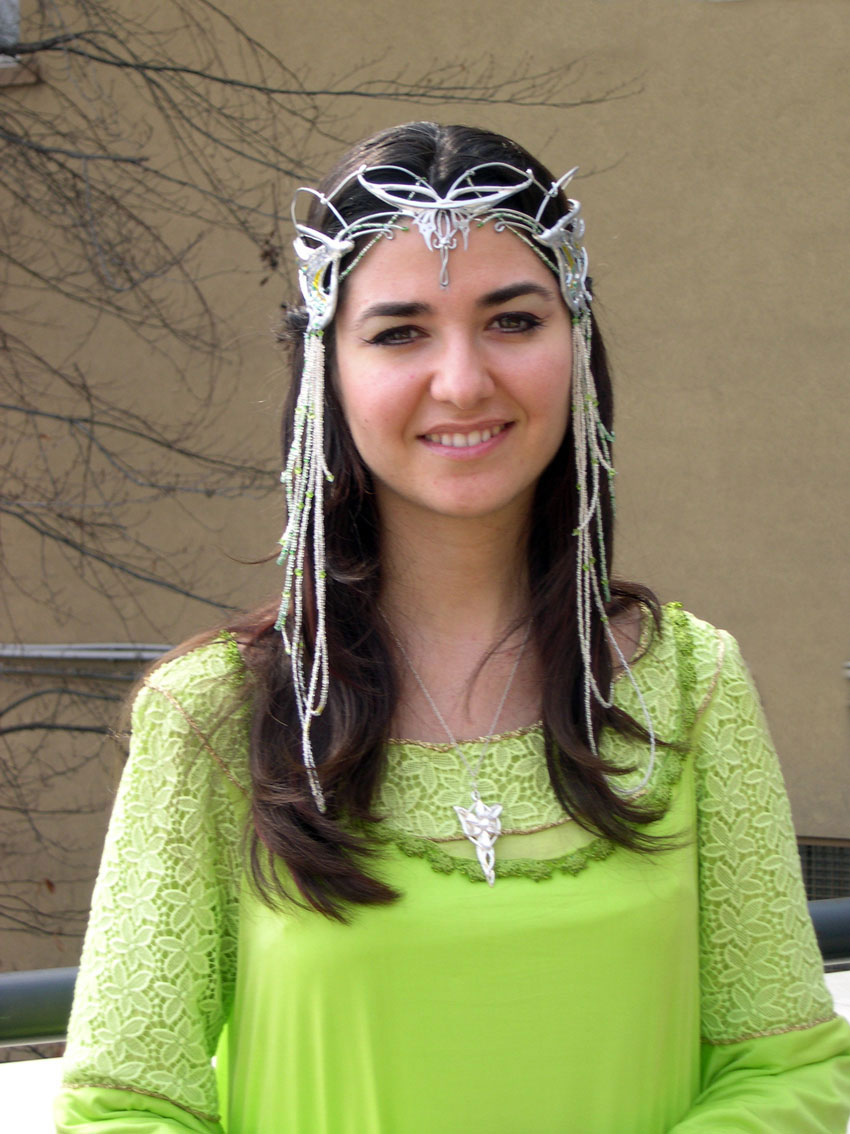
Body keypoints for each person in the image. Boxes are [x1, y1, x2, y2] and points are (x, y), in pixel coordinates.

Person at [55, 122, 850, 1133]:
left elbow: (786, 1065)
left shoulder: (687, 687)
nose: (464, 381)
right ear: (326, 373)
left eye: (512, 321)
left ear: (576, 345)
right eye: (400, 333)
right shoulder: (216, 716)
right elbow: (122, 1107)